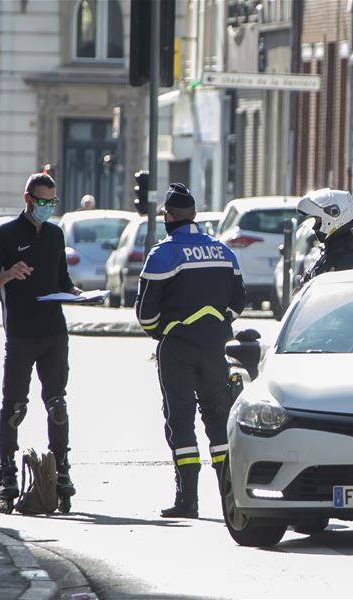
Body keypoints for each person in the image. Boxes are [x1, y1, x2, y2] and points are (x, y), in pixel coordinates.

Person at [135, 182, 246, 518]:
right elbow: (238, 303)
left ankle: (188, 501)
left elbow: (145, 314)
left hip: (177, 348)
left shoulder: (163, 254)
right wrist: (214, 326)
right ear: (195, 215)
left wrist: (163, 332)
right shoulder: (224, 251)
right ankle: (232, 500)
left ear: (167, 216)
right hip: (216, 347)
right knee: (219, 422)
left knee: (180, 422)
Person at [0, 173, 81, 514]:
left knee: (57, 404)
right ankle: (7, 471)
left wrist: (80, 295)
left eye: (51, 203)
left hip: (54, 331)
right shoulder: (5, 234)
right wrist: (9, 273)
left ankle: (62, 469)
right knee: (14, 407)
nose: (47, 208)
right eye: (41, 202)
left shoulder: (55, 235)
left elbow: (63, 280)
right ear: (28, 199)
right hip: (21, 333)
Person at [297, 188, 353, 284]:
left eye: (318, 220)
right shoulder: (330, 251)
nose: (314, 227)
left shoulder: (352, 260)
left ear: (334, 214)